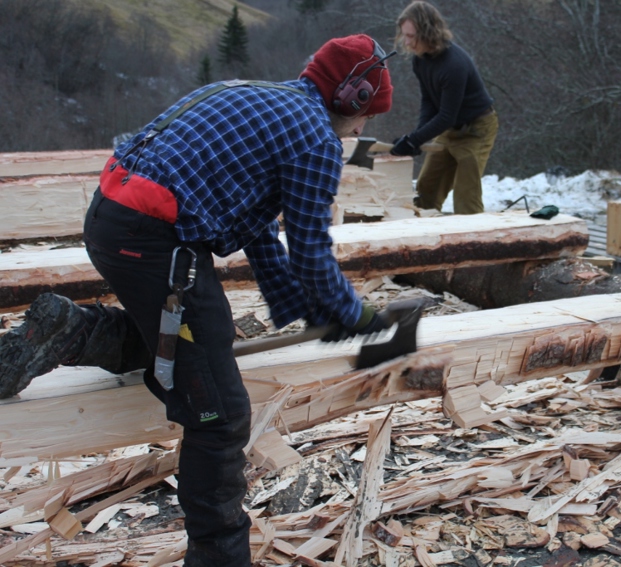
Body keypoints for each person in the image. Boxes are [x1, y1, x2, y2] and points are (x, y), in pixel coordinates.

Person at [0, 34, 395, 567]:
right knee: (220, 413)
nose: (364, 127)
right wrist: (358, 317)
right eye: (368, 112)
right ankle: (219, 556)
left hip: (112, 218)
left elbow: (256, 225)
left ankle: (72, 331)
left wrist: (285, 303)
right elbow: (311, 255)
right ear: (349, 98)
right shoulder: (316, 140)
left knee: (197, 346)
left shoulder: (265, 99)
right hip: (153, 239)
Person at [391, 0, 498, 215]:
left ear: (428, 32)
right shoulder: (420, 60)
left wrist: (414, 139)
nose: (407, 42)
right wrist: (415, 139)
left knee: (466, 198)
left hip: (476, 129)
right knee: (426, 189)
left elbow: (447, 115)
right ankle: (426, 241)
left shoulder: (454, 65)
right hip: (450, 129)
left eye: (411, 36)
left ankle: (473, 244)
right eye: (404, 35)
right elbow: (429, 102)